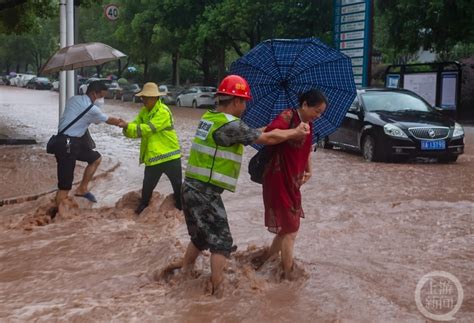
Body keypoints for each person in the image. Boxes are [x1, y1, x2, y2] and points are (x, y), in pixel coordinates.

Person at [180, 75, 310, 295]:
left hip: (191, 188)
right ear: (236, 101)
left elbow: (252, 133)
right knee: (222, 243)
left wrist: (271, 127)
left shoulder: (211, 118)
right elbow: (265, 139)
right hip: (205, 192)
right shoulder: (231, 125)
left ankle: (184, 273)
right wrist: (295, 132)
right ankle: (217, 290)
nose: (246, 106)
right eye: (245, 101)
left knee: (200, 237)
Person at [254, 89, 328, 280]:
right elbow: (270, 134)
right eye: (316, 111)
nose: (318, 116)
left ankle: (264, 263)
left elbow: (307, 149)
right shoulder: (287, 116)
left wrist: (309, 169)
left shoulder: (308, 124)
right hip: (278, 179)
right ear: (304, 105)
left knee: (286, 228)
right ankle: (288, 276)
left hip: (293, 181)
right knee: (291, 230)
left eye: (321, 113)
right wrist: (294, 131)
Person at [55, 80, 123, 206]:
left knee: (95, 158)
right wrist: (125, 124)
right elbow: (109, 120)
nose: (102, 100)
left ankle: (82, 189)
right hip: (67, 144)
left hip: (70, 141)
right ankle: (56, 217)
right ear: (93, 94)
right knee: (65, 186)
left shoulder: (74, 99)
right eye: (101, 96)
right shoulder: (91, 109)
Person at [118, 82, 182, 214]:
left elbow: (148, 129)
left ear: (155, 98)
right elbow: (135, 129)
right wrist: (125, 127)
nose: (143, 100)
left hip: (170, 157)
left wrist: (128, 125)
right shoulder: (144, 112)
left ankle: (182, 213)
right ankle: (141, 212)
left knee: (178, 190)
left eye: (146, 97)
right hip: (154, 159)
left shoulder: (163, 112)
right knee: (146, 190)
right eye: (143, 97)